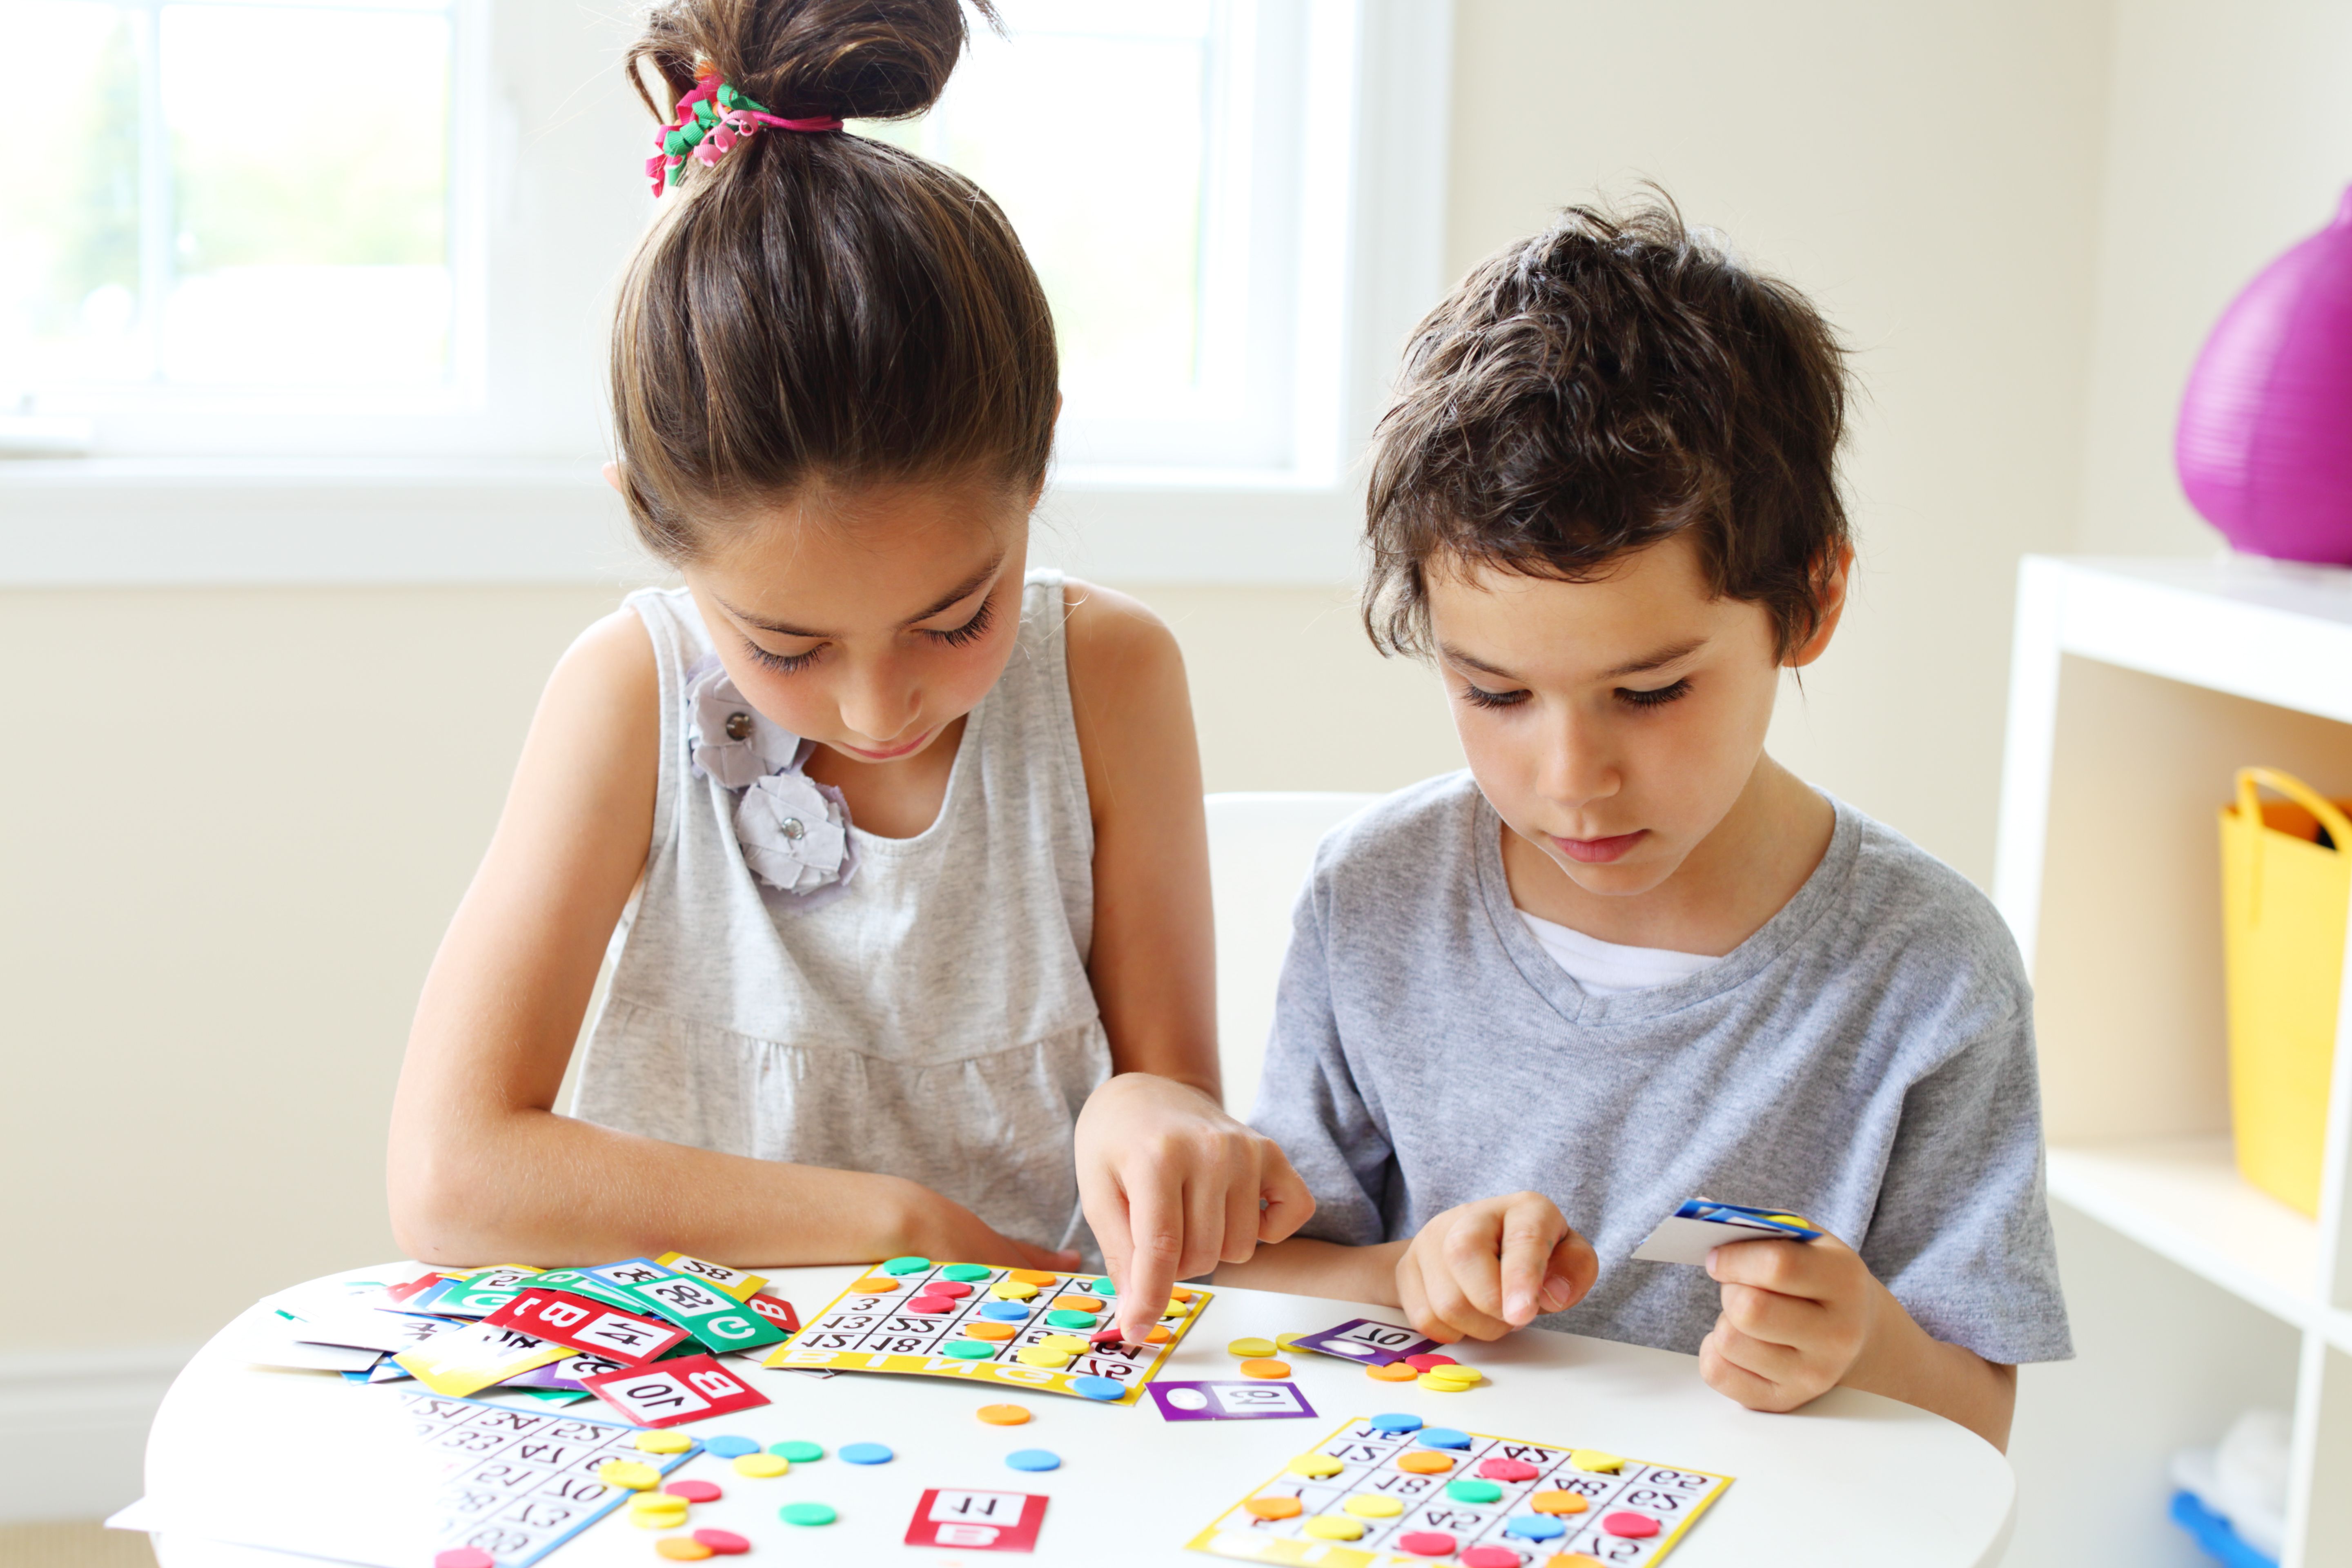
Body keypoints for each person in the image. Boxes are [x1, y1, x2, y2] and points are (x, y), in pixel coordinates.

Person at [387, 0, 1306, 1340]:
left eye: (956, 618)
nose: (884, 707)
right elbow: (453, 1175)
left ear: (1040, 463)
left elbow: (1168, 1098)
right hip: (715, 1407)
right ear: (653, 522)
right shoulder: (633, 694)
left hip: (1042, 1382)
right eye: (786, 648)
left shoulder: (1110, 677)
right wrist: (898, 1228)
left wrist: (1157, 1114)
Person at [1220, 200, 2069, 1448]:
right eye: (1493, 694)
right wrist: (1414, 1276)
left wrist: (1866, 1345)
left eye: (1652, 692)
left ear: (1812, 598)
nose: (1573, 779)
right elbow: (1262, 1285)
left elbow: (1978, 1417)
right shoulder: (1374, 897)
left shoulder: (1932, 971)